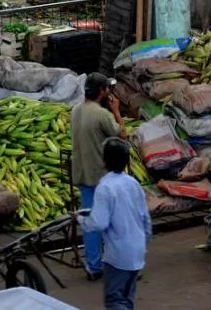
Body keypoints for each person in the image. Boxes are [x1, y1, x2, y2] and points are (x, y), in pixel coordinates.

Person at [75, 138, 151, 310]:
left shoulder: (105, 187)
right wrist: (144, 242)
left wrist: (80, 220)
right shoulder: (133, 183)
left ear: (105, 161)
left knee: (115, 300)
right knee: (127, 298)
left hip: (119, 255)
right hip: (137, 252)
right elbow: (145, 217)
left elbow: (98, 223)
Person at [71, 73, 127, 280]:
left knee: (91, 222)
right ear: (103, 92)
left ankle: (93, 266)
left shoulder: (75, 110)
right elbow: (121, 135)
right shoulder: (101, 114)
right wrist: (115, 110)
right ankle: (119, 264)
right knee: (113, 221)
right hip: (101, 176)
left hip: (82, 173)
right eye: (107, 89)